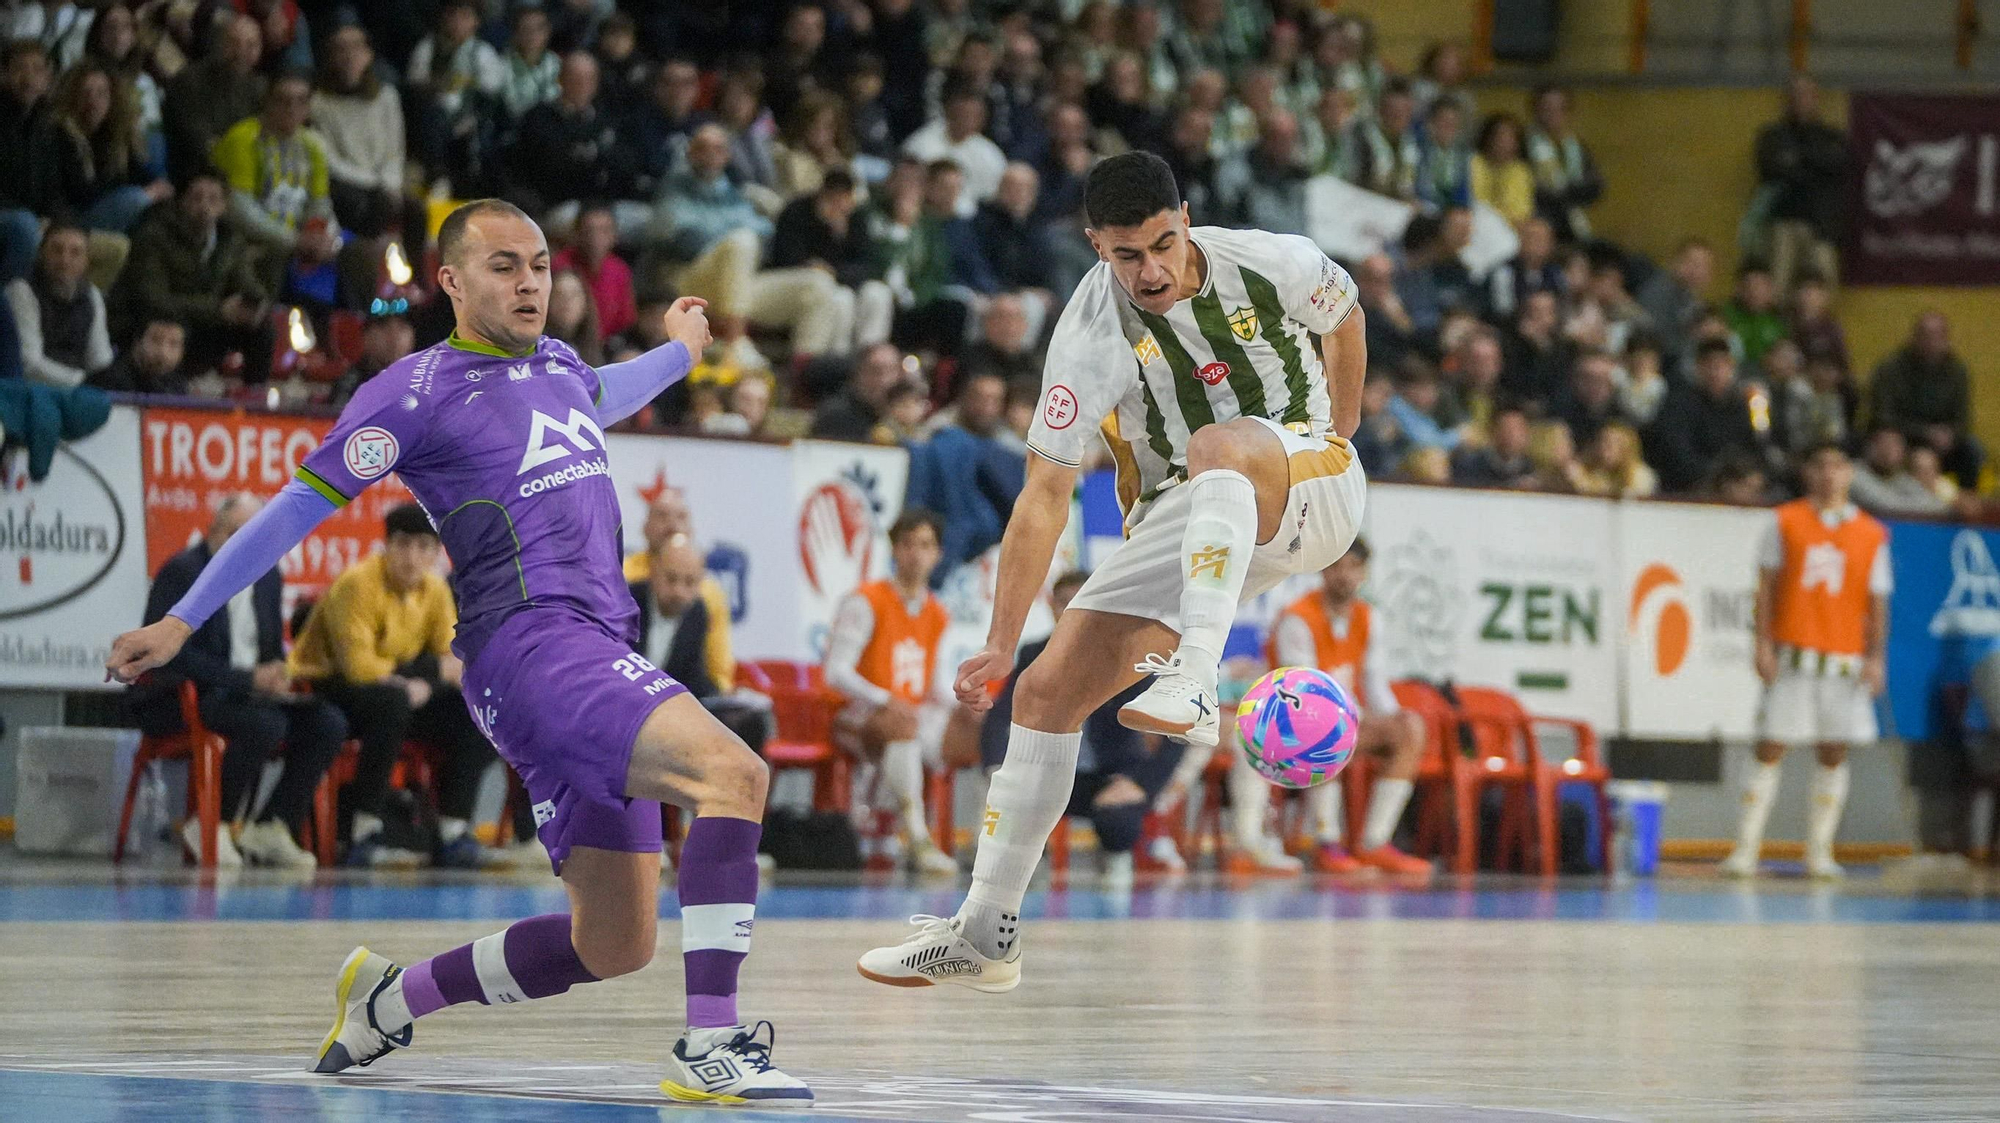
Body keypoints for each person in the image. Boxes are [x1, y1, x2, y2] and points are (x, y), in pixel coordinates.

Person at [105, 199, 811, 1104]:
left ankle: (390, 998)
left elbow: (611, 390)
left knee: (614, 943)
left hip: (590, 648)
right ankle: (712, 1044)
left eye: (540, 265)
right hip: (533, 647)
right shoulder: (412, 393)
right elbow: (293, 510)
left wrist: (680, 351)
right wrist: (180, 620)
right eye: (503, 266)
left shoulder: (559, 364)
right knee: (734, 774)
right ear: (450, 280)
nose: (528, 283)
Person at [858, 151, 1367, 989]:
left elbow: (1344, 313)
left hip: (1310, 481)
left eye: (1164, 244)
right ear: (1097, 244)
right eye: (1128, 254)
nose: (1151, 269)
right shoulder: (1088, 335)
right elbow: (1044, 494)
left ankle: (1195, 676)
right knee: (1043, 693)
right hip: (1187, 513)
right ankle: (985, 930)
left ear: (1186, 220)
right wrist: (1001, 639)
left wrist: (1340, 432)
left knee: (1218, 445)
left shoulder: (1271, 260)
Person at [290, 504, 514, 869]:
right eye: (403, 545)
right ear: (387, 546)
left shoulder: (435, 589)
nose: (412, 557)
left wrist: (424, 681)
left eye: (423, 547)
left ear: (436, 553)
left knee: (477, 709)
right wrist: (425, 676)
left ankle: (452, 830)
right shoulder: (358, 583)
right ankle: (363, 831)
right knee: (391, 702)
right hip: (329, 687)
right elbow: (359, 668)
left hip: (398, 692)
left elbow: (454, 661)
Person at [129, 493, 344, 871]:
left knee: (326, 723)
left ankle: (272, 825)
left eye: (254, 538)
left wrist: (277, 672)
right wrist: (245, 679)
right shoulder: (183, 571)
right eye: (234, 534)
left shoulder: (268, 577)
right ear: (213, 531)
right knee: (264, 723)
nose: (244, 546)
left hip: (247, 695)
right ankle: (213, 823)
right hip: (188, 694)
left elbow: (268, 648)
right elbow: (170, 654)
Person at [1721, 442, 1889, 881]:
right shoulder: (1784, 521)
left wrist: (1876, 657)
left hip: (1844, 658)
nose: (1829, 474)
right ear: (1807, 472)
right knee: (1771, 745)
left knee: (1833, 750)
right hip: (1794, 652)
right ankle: (1745, 849)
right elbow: (1766, 589)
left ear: (1850, 473)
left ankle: (1819, 852)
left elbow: (1877, 601)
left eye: (1838, 465)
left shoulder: (1871, 533)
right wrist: (1762, 644)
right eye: (1820, 465)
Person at [980, 569, 1184, 888]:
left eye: (1081, 603)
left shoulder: (1128, 655)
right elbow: (999, 715)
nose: (1070, 612)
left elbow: (1177, 725)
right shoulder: (1034, 654)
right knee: (1015, 802)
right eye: (1064, 602)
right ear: (1051, 606)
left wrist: (1143, 784)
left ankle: (1116, 867)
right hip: (1052, 773)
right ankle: (1025, 872)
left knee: (1119, 817)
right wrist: (995, 767)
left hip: (1109, 776)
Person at [1268, 540, 1430, 875]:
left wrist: (1392, 718)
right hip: (1287, 728)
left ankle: (1375, 842)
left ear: (1365, 573)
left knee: (1409, 728)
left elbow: (1373, 682)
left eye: (1354, 567)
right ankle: (1325, 840)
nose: (1344, 575)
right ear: (1323, 570)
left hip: (1345, 719)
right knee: (1325, 726)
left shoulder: (1369, 617)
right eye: (1336, 566)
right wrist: (1354, 717)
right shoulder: (1298, 617)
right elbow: (1303, 692)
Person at [823, 509, 960, 876]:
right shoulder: (865, 601)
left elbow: (934, 685)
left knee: (979, 728)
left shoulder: (937, 613)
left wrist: (965, 706)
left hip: (908, 716)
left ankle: (990, 845)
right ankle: (917, 838)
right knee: (903, 722)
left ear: (938, 554)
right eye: (908, 544)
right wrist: (886, 700)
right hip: (852, 714)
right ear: (895, 550)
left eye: (926, 545)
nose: (916, 554)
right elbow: (836, 673)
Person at [111, 169, 275, 382]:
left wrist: (255, 304)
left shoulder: (230, 240)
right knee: (170, 327)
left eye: (213, 199)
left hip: (205, 322)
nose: (205, 207)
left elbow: (246, 281)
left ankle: (254, 394)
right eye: (197, 198)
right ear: (182, 202)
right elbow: (153, 300)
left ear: (224, 205)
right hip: (158, 320)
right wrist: (218, 310)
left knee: (262, 327)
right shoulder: (153, 235)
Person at [629, 536, 770, 759]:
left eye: (689, 582)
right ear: (653, 571)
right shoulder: (627, 602)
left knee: (749, 722)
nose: (679, 591)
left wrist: (729, 700)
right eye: (671, 579)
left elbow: (694, 678)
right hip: (628, 708)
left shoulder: (698, 612)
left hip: (671, 713)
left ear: (700, 582)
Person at [210, 71, 334, 258]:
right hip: (246, 240)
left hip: (298, 240)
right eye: (283, 100)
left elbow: (320, 203)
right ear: (267, 102)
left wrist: (318, 237)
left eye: (301, 101)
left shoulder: (314, 144)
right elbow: (239, 209)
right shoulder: (244, 138)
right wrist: (294, 240)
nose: (292, 109)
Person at [1868, 311, 1980, 490]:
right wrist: (1926, 433)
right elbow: (1882, 416)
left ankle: (1966, 499)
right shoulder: (1891, 368)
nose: (1931, 342)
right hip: (1903, 437)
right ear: (1914, 338)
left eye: (1937, 337)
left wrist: (1951, 434)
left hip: (1943, 443)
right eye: (1925, 336)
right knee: (1885, 446)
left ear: (1946, 340)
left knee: (1972, 450)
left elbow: (1963, 419)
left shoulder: (1957, 371)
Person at [1755, 75, 1845, 294]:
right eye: (1796, 94)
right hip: (1782, 223)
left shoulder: (1831, 136)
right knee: (1777, 290)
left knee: (1821, 291)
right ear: (1787, 99)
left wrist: (1796, 159)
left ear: (1816, 98)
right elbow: (1771, 171)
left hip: (1821, 227)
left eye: (1807, 94)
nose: (1801, 100)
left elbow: (1837, 167)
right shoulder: (1772, 136)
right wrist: (1815, 165)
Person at [7, 223, 111, 389]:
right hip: (32, 390)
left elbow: (100, 359)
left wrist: (105, 381)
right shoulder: (21, 290)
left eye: (75, 252)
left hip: (77, 390)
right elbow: (29, 363)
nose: (65, 260)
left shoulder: (92, 295)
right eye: (57, 250)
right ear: (41, 253)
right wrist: (82, 382)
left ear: (86, 260)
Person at [92, 316, 185, 395]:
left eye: (174, 344)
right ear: (138, 342)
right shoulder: (109, 380)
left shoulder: (177, 386)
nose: (163, 352)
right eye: (155, 340)